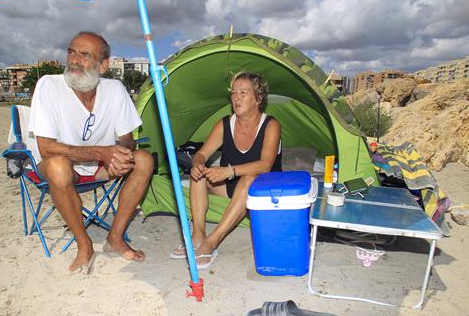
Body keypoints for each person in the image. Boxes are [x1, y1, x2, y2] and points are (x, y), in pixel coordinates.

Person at [29, 31, 154, 272]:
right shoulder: (49, 85)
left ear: (103, 65)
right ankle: (83, 243)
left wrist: (120, 155)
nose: (74, 60)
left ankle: (115, 238)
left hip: (99, 167)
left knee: (144, 160)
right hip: (59, 168)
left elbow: (128, 140)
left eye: (84, 55)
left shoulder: (115, 90)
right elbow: (46, 149)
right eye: (71, 52)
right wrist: (101, 153)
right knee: (58, 166)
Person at [171, 71, 282, 269]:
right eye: (233, 93)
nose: (236, 97)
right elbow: (201, 154)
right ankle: (197, 235)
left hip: (264, 193)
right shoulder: (225, 124)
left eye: (243, 92)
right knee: (200, 175)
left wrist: (229, 171)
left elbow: (265, 164)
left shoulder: (271, 125)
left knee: (248, 179)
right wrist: (197, 164)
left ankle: (211, 242)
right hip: (233, 188)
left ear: (258, 99)